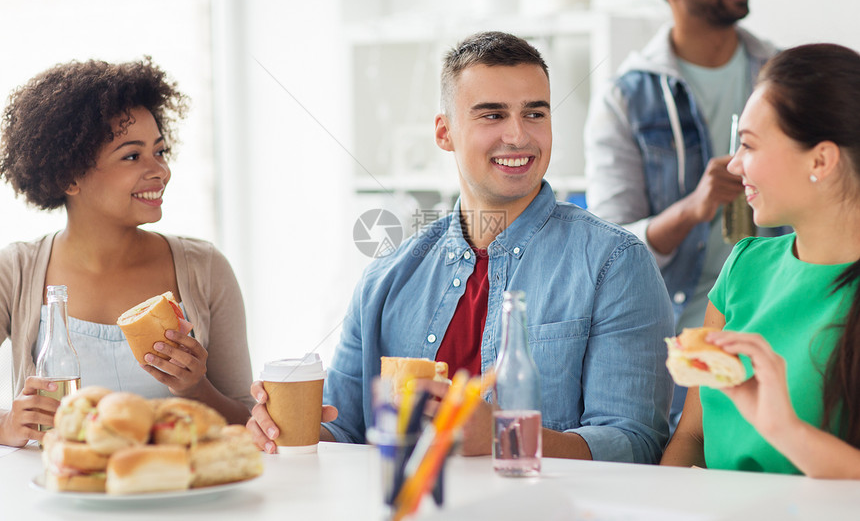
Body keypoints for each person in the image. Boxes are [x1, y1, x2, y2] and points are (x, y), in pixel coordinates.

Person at [248, 31, 675, 464]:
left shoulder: (616, 262)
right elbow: (347, 431)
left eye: (534, 114)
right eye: (492, 115)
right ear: (444, 132)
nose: (518, 136)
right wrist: (283, 431)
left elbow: (635, 443)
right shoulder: (383, 279)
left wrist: (504, 437)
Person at [0, 58, 253, 446]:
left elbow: (249, 422)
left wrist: (195, 389)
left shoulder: (205, 269)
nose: (160, 171)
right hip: (61, 498)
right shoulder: (14, 272)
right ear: (68, 176)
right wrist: (6, 426)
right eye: (133, 156)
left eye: (160, 151)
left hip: (179, 495)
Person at [584, 0, 780, 425]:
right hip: (675, 357)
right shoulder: (625, 98)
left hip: (776, 338)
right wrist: (694, 208)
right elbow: (605, 254)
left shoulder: (783, 77)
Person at [661, 43, 860, 477]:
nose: (734, 166)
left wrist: (783, 429)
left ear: (821, 160)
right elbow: (692, 437)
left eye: (749, 146)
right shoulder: (743, 267)